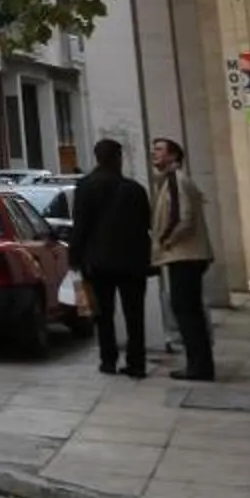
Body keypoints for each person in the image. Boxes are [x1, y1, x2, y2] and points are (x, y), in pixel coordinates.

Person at [70, 138, 155, 379]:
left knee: (101, 314)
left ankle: (108, 360)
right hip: (132, 262)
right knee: (134, 314)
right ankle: (136, 363)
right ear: (118, 158)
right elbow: (147, 224)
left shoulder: (85, 187)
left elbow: (80, 226)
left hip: (96, 263)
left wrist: (74, 258)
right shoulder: (135, 189)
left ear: (97, 158)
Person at [149, 136, 216, 381]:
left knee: (186, 311)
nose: (154, 154)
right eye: (154, 150)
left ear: (173, 156)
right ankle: (198, 364)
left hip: (185, 255)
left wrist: (166, 240)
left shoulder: (176, 181)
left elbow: (181, 217)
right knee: (187, 310)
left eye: (159, 150)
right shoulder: (170, 182)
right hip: (185, 254)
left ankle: (199, 366)